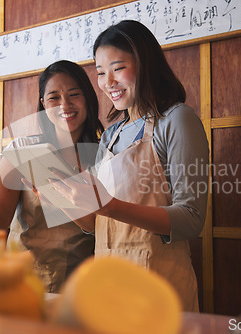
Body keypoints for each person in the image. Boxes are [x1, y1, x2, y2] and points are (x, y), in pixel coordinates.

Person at [48, 20, 209, 312]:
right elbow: (97, 224)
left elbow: (191, 219)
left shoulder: (177, 120)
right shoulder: (111, 135)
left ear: (145, 63)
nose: (107, 82)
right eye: (100, 73)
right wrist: (58, 196)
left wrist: (109, 206)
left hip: (158, 289)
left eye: (118, 68)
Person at [0, 60, 104, 293]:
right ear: (44, 104)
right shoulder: (22, 152)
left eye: (74, 94)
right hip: (22, 284)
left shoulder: (106, 156)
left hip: (83, 288)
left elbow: (108, 228)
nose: (64, 105)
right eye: (54, 97)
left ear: (88, 98)